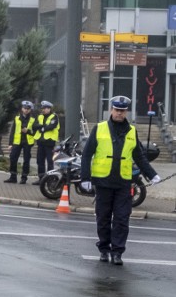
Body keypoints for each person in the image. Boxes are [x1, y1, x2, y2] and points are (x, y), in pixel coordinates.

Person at [80, 96, 161, 265]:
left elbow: (139, 156)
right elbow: (87, 154)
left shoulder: (131, 130)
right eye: (117, 110)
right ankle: (104, 249)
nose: (119, 113)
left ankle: (117, 252)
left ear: (126, 112)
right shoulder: (100, 128)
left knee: (122, 219)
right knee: (103, 218)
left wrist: (151, 174)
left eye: (122, 111)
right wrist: (85, 177)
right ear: (111, 110)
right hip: (103, 182)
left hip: (123, 182)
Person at [4, 100, 35, 184]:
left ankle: (24, 177)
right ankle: (13, 176)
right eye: (24, 108)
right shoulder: (17, 118)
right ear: (22, 109)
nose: (26, 110)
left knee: (26, 160)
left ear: (30, 110)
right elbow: (13, 131)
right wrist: (10, 144)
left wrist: (27, 131)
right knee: (13, 158)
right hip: (17, 141)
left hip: (27, 142)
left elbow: (35, 132)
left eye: (28, 109)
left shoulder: (33, 119)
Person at [32, 100, 60, 185]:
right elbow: (34, 126)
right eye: (42, 108)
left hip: (49, 143)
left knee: (49, 162)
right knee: (40, 161)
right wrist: (42, 126)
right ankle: (41, 179)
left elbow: (51, 126)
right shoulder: (39, 116)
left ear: (49, 109)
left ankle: (50, 180)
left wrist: (42, 128)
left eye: (45, 108)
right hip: (40, 142)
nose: (43, 110)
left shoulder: (54, 116)